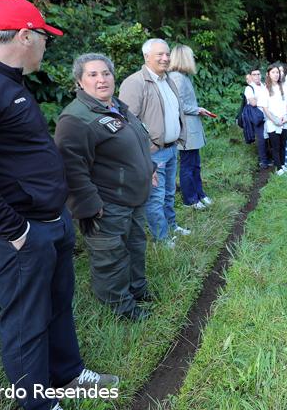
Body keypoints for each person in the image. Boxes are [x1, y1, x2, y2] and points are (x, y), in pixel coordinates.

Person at [0, 0, 117, 410]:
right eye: (44, 37)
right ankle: (39, 403)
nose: (46, 46)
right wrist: (17, 232)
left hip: (49, 220)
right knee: (27, 321)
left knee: (57, 304)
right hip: (13, 231)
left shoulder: (7, 82)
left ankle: (66, 375)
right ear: (26, 36)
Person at [55, 53, 155, 322]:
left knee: (134, 247)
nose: (102, 80)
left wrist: (149, 171)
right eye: (93, 75)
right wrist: (91, 207)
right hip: (106, 205)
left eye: (106, 73)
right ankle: (120, 309)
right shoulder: (76, 119)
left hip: (132, 199)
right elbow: (70, 169)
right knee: (111, 258)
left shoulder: (117, 107)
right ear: (80, 82)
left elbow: (134, 143)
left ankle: (137, 292)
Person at [119, 38, 190, 247]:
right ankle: (162, 238)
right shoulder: (135, 83)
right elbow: (128, 123)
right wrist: (142, 156)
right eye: (160, 54)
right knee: (155, 198)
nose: (165, 58)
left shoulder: (167, 80)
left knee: (168, 193)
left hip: (170, 148)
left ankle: (172, 226)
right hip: (152, 153)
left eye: (167, 54)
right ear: (146, 56)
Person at [168, 45, 213, 210]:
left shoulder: (183, 76)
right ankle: (190, 200)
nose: (193, 59)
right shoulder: (177, 77)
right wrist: (197, 110)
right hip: (186, 130)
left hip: (191, 128)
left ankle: (199, 193)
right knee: (188, 165)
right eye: (191, 56)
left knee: (195, 164)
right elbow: (178, 105)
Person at [259, 63, 287, 176]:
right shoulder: (265, 89)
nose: (276, 74)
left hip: (285, 121)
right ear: (268, 74)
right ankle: (278, 169)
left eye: (277, 72)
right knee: (275, 146)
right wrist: (274, 120)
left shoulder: (284, 86)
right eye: (273, 72)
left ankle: (283, 166)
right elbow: (265, 108)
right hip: (273, 122)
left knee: (283, 144)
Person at [243, 66, 270, 169]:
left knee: (268, 137)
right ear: (251, 76)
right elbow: (253, 103)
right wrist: (262, 99)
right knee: (261, 138)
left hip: (267, 114)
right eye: (254, 75)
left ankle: (268, 158)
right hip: (258, 116)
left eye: (258, 74)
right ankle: (263, 161)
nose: (257, 76)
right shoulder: (249, 88)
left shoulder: (263, 85)